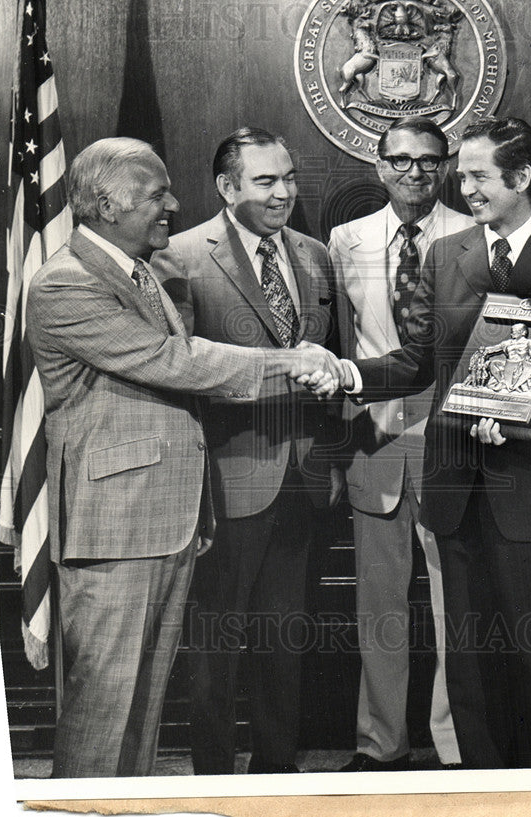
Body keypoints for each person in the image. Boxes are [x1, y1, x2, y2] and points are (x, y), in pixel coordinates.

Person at [26, 137, 338, 779]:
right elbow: (174, 360)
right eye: (154, 195)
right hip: (116, 527)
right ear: (108, 206)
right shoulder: (67, 283)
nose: (171, 204)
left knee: (139, 711)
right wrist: (293, 360)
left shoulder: (136, 268)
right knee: (104, 711)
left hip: (162, 521)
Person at [334, 117, 531, 769]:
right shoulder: (447, 255)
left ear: (521, 179)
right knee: (470, 677)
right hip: (456, 497)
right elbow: (417, 362)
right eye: (461, 175)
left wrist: (520, 415)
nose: (462, 186)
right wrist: (350, 373)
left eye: (478, 176)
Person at [152, 127, 341, 775]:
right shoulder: (178, 257)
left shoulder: (315, 256)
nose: (284, 191)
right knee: (216, 646)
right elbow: (178, 372)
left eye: (288, 177)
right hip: (223, 489)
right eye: (266, 181)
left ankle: (276, 775)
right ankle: (213, 780)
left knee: (283, 641)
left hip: (304, 484)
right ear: (227, 188)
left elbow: (327, 363)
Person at [327, 117, 470, 771]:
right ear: (379, 166)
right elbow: (343, 342)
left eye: (428, 161)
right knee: (378, 607)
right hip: (375, 441)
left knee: (454, 607)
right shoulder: (346, 240)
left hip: (453, 444)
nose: (414, 172)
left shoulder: (474, 237)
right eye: (401, 160)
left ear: (445, 167)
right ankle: (380, 743)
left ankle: (454, 744)